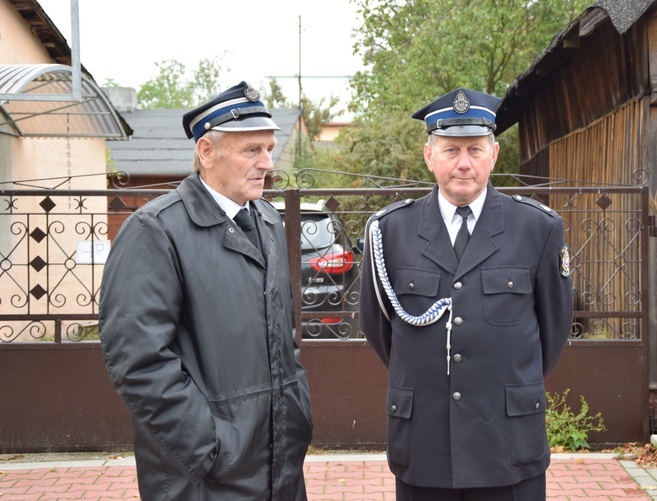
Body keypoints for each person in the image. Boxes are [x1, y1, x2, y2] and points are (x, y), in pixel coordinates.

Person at [99, 82, 313, 500]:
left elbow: (282, 336)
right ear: (207, 151)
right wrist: (210, 449)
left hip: (279, 465)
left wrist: (296, 412)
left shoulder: (268, 220)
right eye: (252, 150)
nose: (267, 163)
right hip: (202, 477)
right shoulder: (155, 230)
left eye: (269, 148)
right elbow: (138, 361)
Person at [359, 88, 573, 500]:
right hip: (425, 445)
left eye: (475, 150)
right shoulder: (390, 231)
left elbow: (554, 330)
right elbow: (378, 327)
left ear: (493, 155)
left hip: (508, 444)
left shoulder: (537, 228)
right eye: (450, 150)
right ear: (428, 156)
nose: (463, 163)